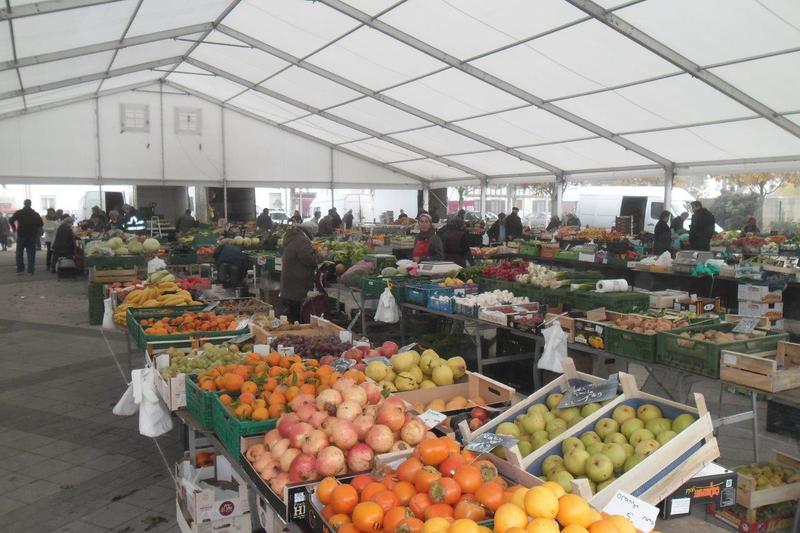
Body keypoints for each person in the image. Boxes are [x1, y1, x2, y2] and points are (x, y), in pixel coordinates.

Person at [280, 219, 323, 323]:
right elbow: (309, 259)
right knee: (295, 315)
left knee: (291, 312)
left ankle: (293, 329)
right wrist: (321, 256)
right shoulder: (302, 240)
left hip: (290, 282)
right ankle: (296, 332)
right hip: (297, 283)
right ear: (310, 231)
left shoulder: (293, 237)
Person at [9, 200, 43, 275]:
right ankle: (30, 270)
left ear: (24, 204)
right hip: (32, 236)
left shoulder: (19, 212)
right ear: (30, 204)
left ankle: (20, 270)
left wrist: (14, 228)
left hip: (21, 235)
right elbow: (41, 224)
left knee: (19, 253)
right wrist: (35, 229)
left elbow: (11, 220)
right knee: (31, 253)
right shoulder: (35, 214)